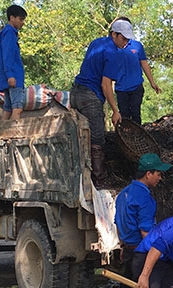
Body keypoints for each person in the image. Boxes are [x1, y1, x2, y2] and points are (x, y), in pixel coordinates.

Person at [114, 153, 172, 288]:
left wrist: (122, 244)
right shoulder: (144, 198)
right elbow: (146, 232)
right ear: (148, 173)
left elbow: (118, 223)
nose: (160, 177)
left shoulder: (124, 193)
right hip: (140, 250)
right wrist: (157, 254)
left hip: (127, 247)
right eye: (158, 174)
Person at [70, 19, 134, 187]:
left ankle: (78, 176)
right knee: (97, 139)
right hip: (90, 97)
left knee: (79, 136)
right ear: (114, 34)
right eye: (123, 39)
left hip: (75, 94)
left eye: (128, 40)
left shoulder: (96, 43)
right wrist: (115, 110)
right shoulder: (113, 53)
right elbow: (106, 85)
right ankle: (99, 180)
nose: (125, 43)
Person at [112, 17, 161, 125]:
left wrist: (152, 82)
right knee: (124, 115)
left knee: (135, 113)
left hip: (136, 86)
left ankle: (138, 135)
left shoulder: (137, 46)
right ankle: (125, 136)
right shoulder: (112, 48)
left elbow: (144, 63)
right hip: (121, 88)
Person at [0, 5, 27, 121]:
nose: (23, 22)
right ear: (12, 18)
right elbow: (8, 55)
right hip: (14, 76)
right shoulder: (9, 33)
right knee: (17, 108)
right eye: (21, 19)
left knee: (8, 109)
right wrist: (10, 75)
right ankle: (14, 137)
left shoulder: (6, 33)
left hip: (8, 77)